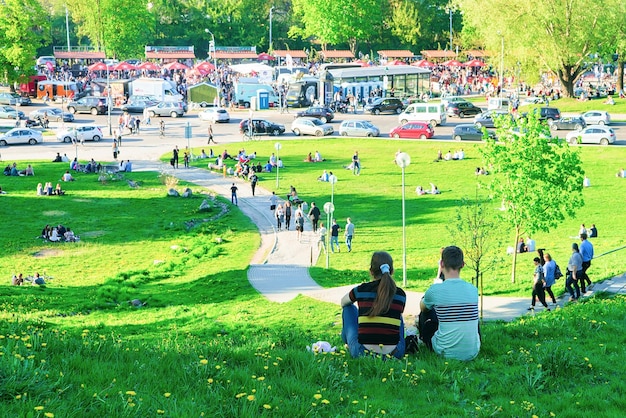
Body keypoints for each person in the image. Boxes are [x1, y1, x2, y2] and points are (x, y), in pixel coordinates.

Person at [418, 246, 481, 361]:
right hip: (473, 352)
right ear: (463, 264)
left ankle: (423, 340)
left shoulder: (435, 290)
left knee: (426, 310)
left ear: (441, 264)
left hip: (444, 351)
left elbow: (423, 308)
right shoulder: (473, 289)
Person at [341, 251, 406, 359]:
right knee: (398, 315)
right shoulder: (400, 294)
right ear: (392, 271)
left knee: (348, 308)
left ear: (371, 271)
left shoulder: (361, 290)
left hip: (362, 353)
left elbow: (343, 302)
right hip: (395, 354)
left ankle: (347, 342)